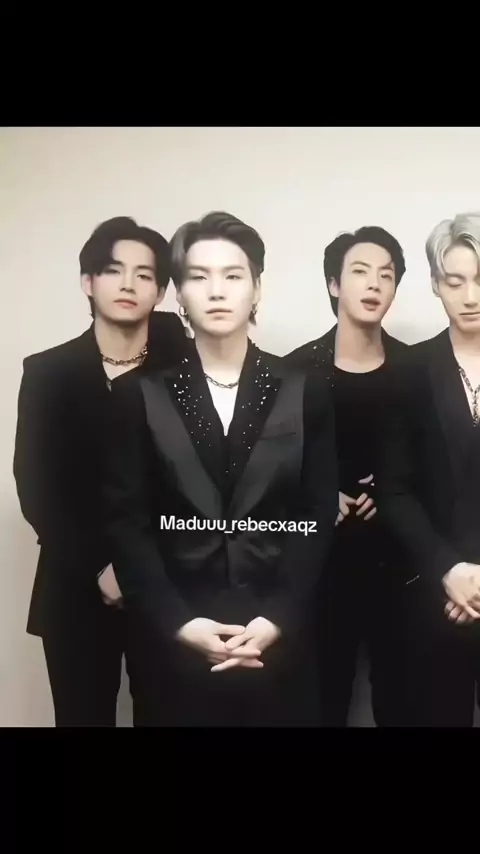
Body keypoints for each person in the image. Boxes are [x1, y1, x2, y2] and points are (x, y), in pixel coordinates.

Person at [103, 210, 338, 727]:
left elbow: (317, 513)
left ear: (257, 290)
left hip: (279, 636)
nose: (216, 291)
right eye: (199, 276)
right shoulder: (137, 395)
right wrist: (179, 623)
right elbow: (126, 523)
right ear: (179, 295)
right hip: (176, 641)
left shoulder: (304, 390)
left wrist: (277, 618)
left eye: (233, 276)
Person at [13, 216, 188, 727]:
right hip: (75, 582)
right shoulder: (47, 372)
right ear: (88, 282)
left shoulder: (183, 367)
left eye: (144, 274)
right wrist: (98, 567)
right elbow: (37, 484)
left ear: (160, 291)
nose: (129, 284)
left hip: (169, 581)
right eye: (114, 271)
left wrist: (140, 569)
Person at [286, 226, 415, 727]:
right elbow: (268, 471)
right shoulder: (295, 372)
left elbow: (437, 464)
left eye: (386, 275)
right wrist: (319, 495)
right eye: (360, 272)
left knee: (403, 703)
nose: (374, 284)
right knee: (321, 702)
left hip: (399, 567)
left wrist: (393, 492)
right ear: (334, 284)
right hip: (322, 566)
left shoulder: (416, 370)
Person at [377, 211, 480, 726]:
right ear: (436, 285)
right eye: (454, 281)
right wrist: (451, 570)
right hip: (437, 596)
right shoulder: (409, 371)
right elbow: (394, 490)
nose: (470, 296)